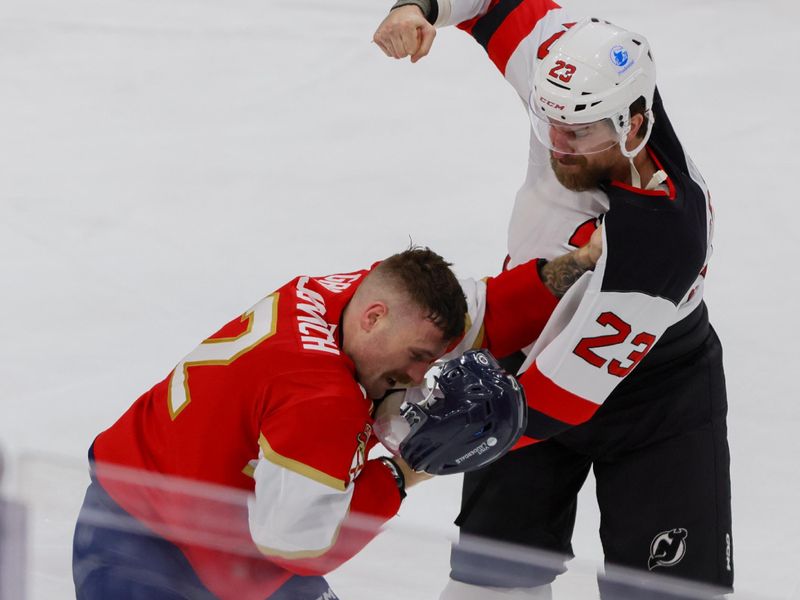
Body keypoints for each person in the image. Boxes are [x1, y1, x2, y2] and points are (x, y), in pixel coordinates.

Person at [374, 3, 732, 599]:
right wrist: (421, 9)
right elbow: (494, 3)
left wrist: (408, 452)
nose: (558, 145)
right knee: (489, 586)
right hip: (526, 348)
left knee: (663, 593)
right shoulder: (571, 75)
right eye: (549, 123)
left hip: (653, 397)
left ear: (635, 125)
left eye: (579, 132)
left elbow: (552, 402)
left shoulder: (663, 238)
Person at [71, 243, 600, 600]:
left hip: (174, 498)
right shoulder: (323, 399)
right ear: (374, 318)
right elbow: (297, 546)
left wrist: (580, 263)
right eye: (418, 356)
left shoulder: (343, 295)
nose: (421, 375)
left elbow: (476, 313)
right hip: (146, 556)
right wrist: (403, 474)